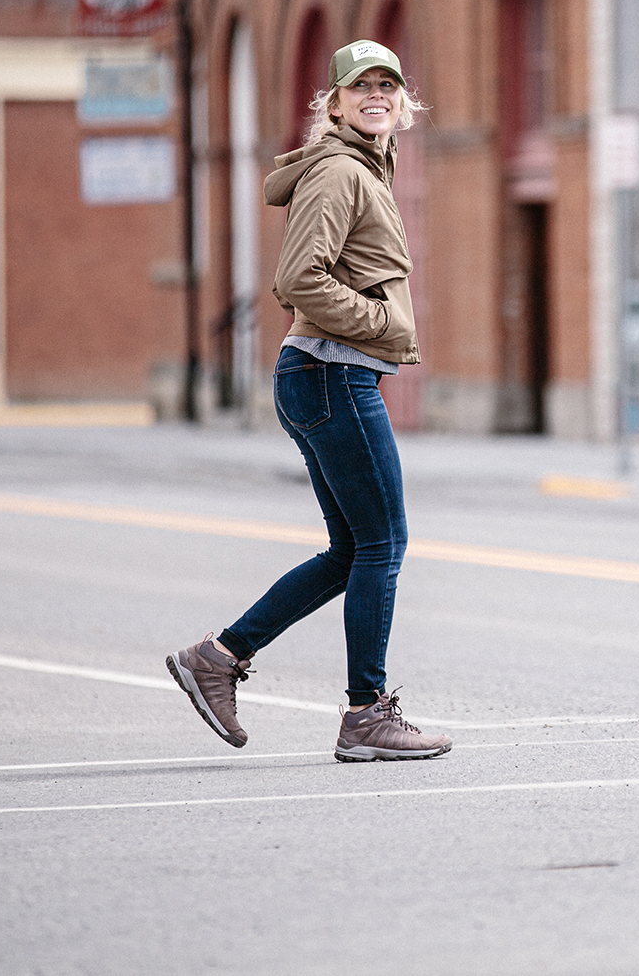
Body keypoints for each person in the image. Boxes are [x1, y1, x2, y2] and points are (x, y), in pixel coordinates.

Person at [168, 39, 451, 762]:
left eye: (388, 84)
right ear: (333, 104)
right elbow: (299, 278)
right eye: (361, 87)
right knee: (382, 544)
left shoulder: (364, 169)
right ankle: (366, 714)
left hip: (322, 375)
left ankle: (218, 657)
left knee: (352, 548)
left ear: (402, 101)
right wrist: (383, 324)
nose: (377, 95)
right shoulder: (339, 172)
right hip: (333, 373)